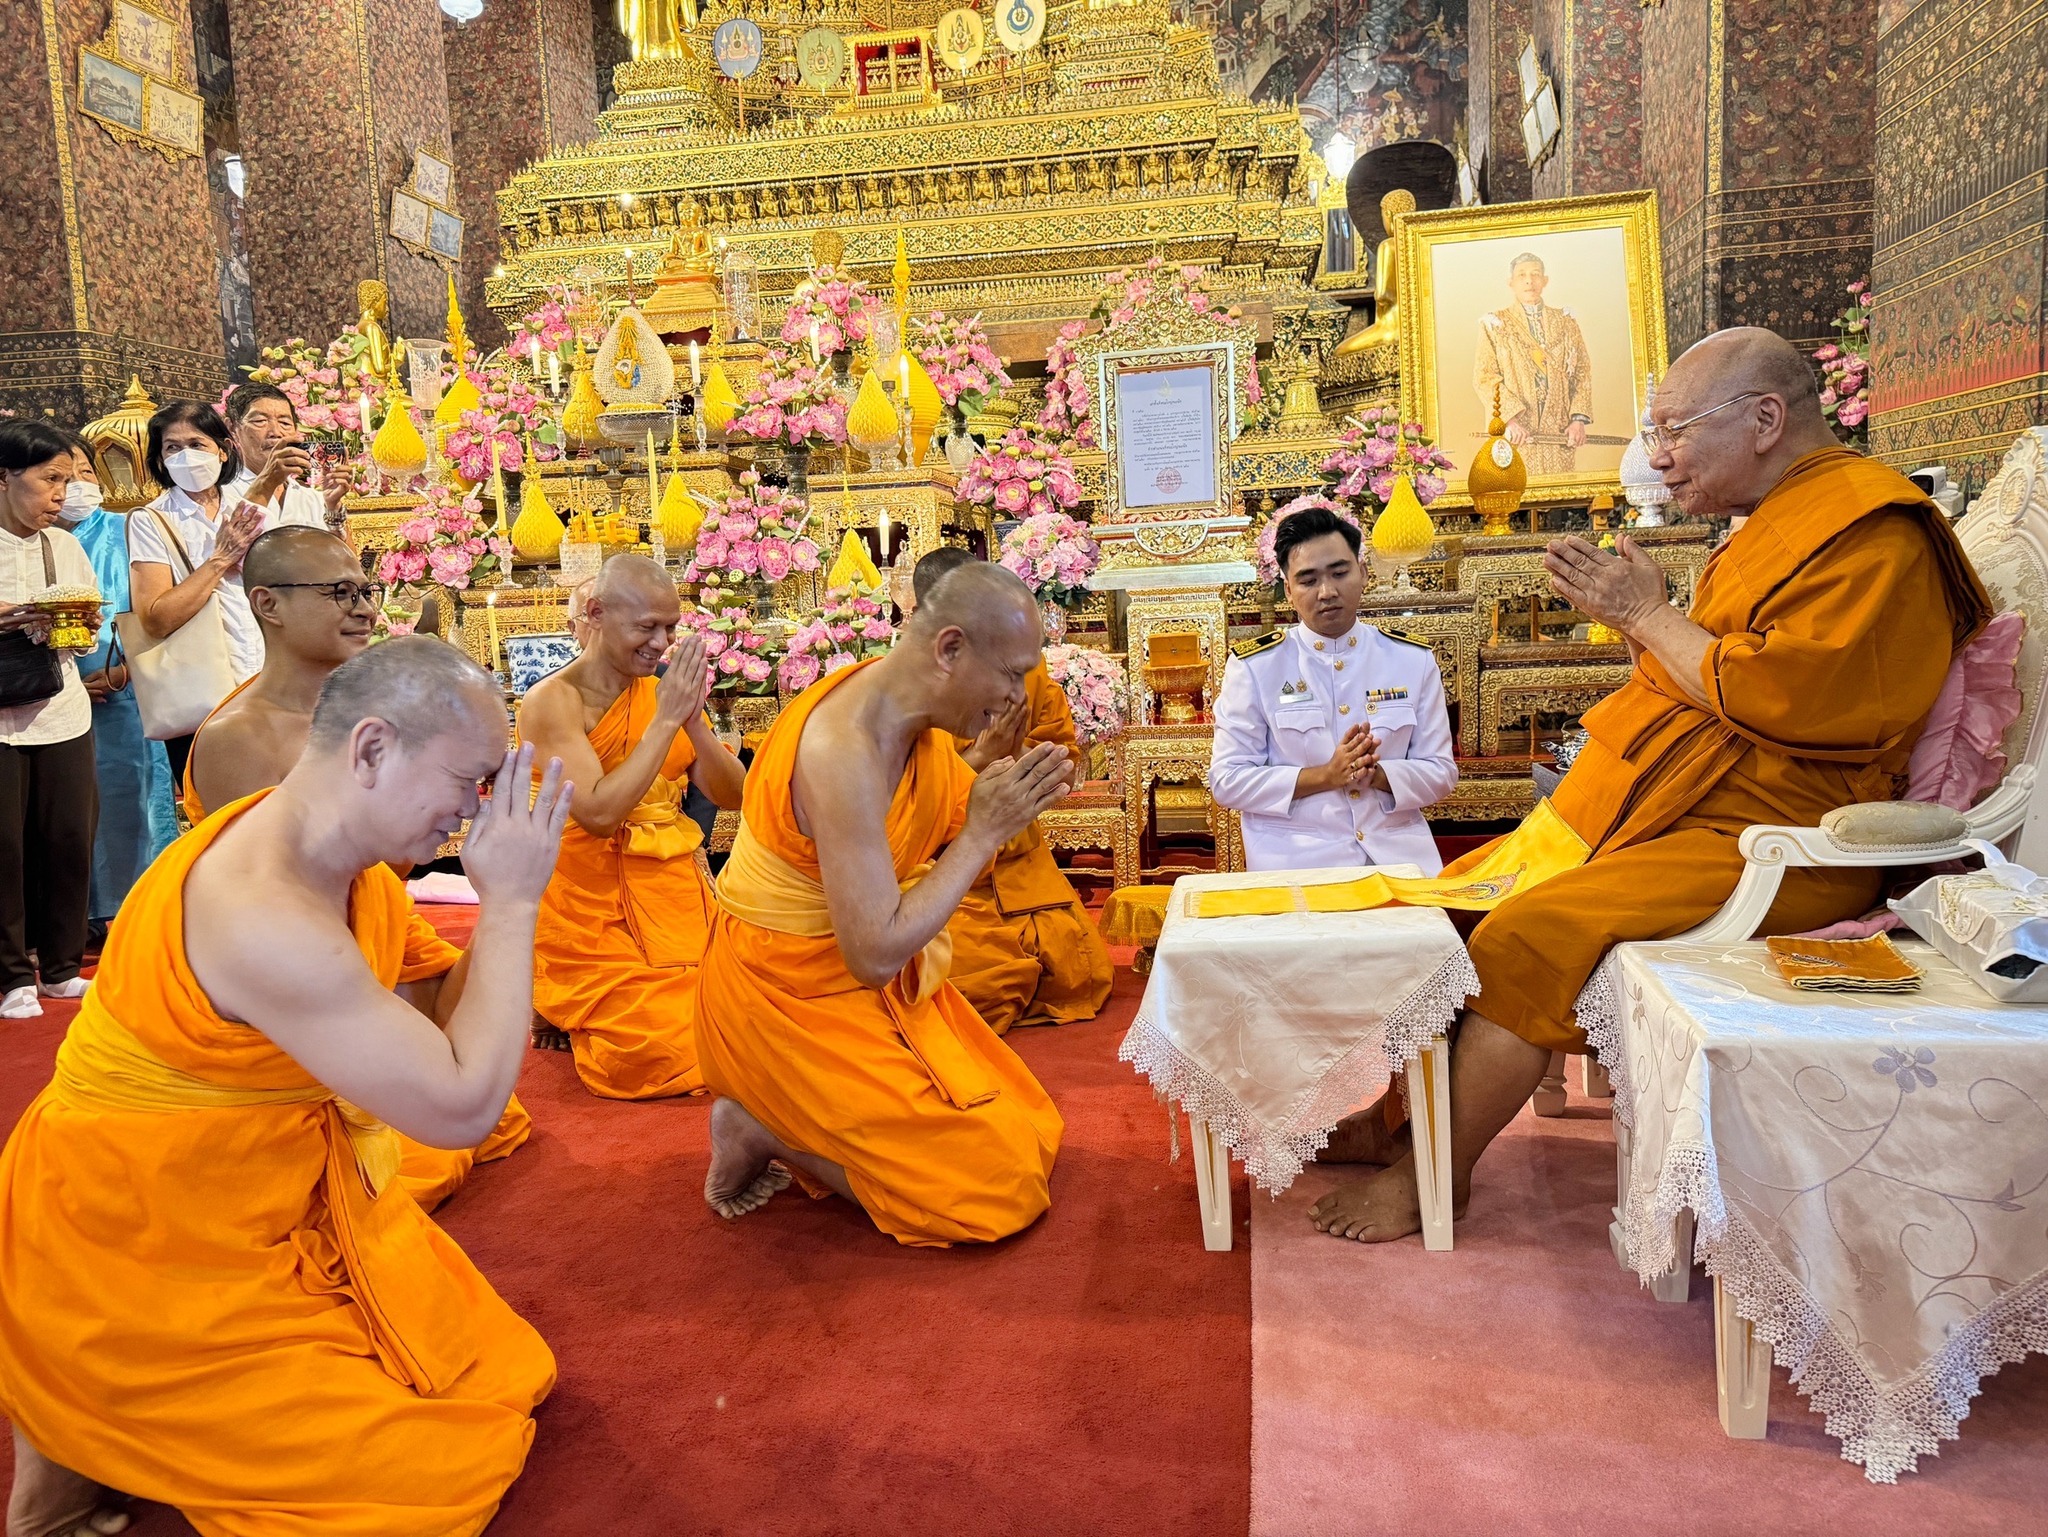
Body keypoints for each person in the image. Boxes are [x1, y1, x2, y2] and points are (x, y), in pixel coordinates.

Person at [1310, 326, 1996, 1242]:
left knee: (1525, 932)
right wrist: (1644, 624)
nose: (1658, 456)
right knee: (1458, 897)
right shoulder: (1777, 524)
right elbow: (1704, 673)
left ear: (1765, 418)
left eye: (1675, 429)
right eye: (1653, 430)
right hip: (1689, 807)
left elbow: (1788, 698)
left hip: (1775, 837)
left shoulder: (1875, 531)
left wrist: (1643, 613)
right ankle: (1400, 1120)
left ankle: (1437, 1173)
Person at [0, 638, 566, 1536]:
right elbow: (462, 1109)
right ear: (372, 748)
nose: (473, 813)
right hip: (141, 1241)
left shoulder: (331, 847)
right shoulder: (262, 909)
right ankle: (75, 1422)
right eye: (469, 780)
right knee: (431, 1480)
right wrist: (513, 903)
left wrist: (506, 898)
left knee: (500, 1370)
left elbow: (439, 1019)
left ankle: (94, 1424)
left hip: (252, 1202)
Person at [693, 561, 1072, 1245]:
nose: (1020, 693)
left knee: (1030, 1125)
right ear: (949, 649)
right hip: (783, 992)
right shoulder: (843, 747)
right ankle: (761, 1124)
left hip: (844, 976)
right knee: (994, 1187)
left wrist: (991, 780)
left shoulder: (913, 718)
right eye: (1012, 673)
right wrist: (984, 832)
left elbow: (927, 813)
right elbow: (870, 954)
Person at [183, 525, 533, 1211]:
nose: (365, 608)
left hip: (375, 912)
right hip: (299, 950)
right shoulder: (238, 736)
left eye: (367, 590)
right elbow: (282, 893)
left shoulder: (377, 715)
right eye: (339, 592)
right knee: (436, 1125)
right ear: (268, 603)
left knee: (469, 1065)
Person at [516, 555, 745, 1099]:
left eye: (671, 627)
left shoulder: (660, 693)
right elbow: (597, 814)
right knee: (664, 1047)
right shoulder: (552, 701)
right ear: (595, 613)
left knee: (751, 1015)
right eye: (647, 627)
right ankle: (558, 1000)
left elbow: (733, 796)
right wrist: (665, 723)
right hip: (590, 912)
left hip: (673, 896)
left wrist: (690, 720)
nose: (663, 642)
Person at [910, 547, 1112, 1035]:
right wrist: (978, 758)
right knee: (971, 979)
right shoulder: (905, 685)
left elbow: (1064, 763)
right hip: (941, 864)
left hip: (1020, 860)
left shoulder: (1028, 670)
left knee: (1079, 973)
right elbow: (900, 792)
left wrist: (1013, 754)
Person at [1211, 505, 1458, 873]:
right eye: (1308, 580)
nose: (1326, 592)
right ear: (1289, 589)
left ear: (1362, 572)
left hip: (1400, 859)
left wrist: (1375, 775)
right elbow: (1227, 781)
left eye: (1339, 573)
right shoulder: (1256, 667)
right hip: (1297, 860)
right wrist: (1325, 775)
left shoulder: (1411, 659)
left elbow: (1441, 772)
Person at [126, 401, 321, 782]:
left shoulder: (246, 506)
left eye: (196, 445)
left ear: (223, 449)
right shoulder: (152, 520)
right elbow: (155, 618)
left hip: (271, 680)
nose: (185, 456)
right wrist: (220, 560)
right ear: (160, 460)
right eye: (172, 448)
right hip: (204, 694)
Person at [53, 430, 176, 950]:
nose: (75, 486)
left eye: (84, 472)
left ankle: (136, 910)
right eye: (60, 477)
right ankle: (66, 918)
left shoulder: (129, 529)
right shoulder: (29, 542)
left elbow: (155, 608)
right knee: (61, 813)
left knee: (133, 803)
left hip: (125, 692)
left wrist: (124, 670)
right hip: (50, 694)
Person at [0, 421, 102, 1021]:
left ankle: (61, 968)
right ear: (6, 477)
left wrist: (79, 627)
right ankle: (12, 975)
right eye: (50, 479)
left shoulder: (63, 545)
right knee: (4, 847)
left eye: (67, 479)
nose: (62, 493)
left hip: (60, 706)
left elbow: (86, 638)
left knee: (67, 838)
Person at [1473, 252, 1594, 475]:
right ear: (1511, 282)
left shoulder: (1566, 322)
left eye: (1535, 274)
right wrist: (1508, 420)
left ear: (1544, 280)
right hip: (1517, 435)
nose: (1529, 280)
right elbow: (1485, 376)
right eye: (1521, 275)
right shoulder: (1495, 324)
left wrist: (1577, 420)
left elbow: (1582, 371)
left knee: (1561, 500)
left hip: (1558, 433)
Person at [222, 381, 348, 528]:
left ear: (296, 431)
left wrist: (333, 508)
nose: (276, 432)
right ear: (232, 428)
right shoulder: (220, 492)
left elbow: (345, 551)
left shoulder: (312, 498)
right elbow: (229, 545)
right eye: (260, 421)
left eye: (285, 423)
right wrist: (268, 480)